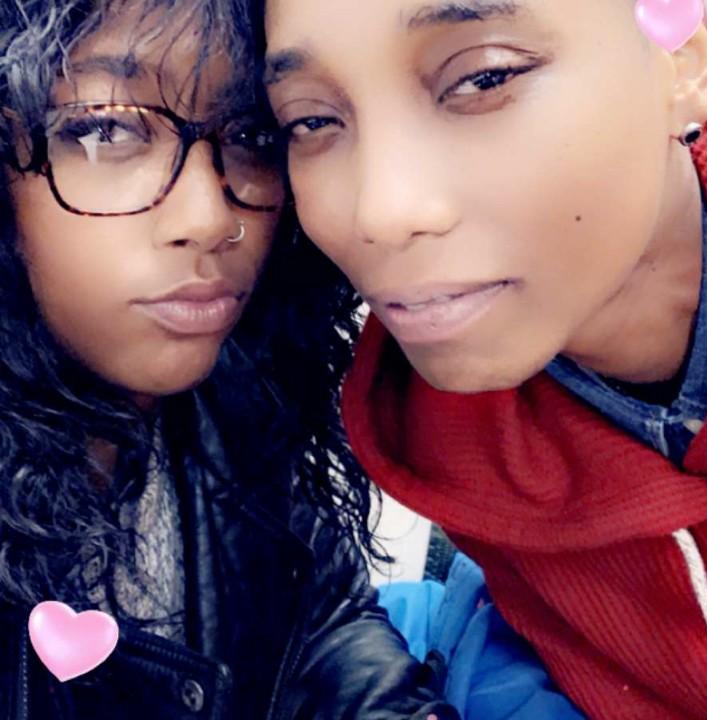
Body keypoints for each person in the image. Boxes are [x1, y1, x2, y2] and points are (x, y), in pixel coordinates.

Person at [0, 1, 461, 718]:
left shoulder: (242, 393)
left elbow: (322, 619)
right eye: (106, 128)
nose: (210, 219)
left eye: (251, 135)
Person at [261, 0, 707, 717]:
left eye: (483, 78)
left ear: (682, 61)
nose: (379, 213)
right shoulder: (433, 434)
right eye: (311, 122)